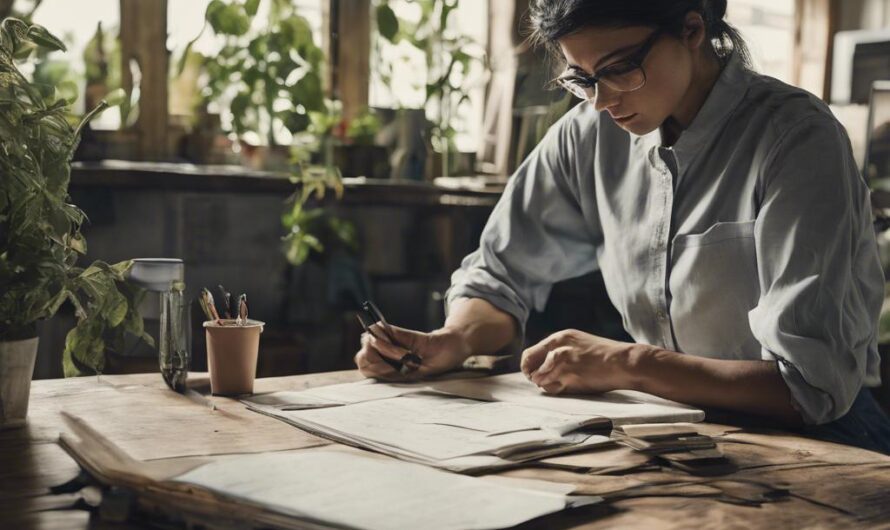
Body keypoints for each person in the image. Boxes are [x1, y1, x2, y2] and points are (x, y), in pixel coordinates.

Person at [354, 0, 890, 453]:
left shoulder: (795, 139)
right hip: (673, 429)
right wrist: (452, 339)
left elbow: (809, 387)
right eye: (581, 77)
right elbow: (501, 275)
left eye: (619, 69)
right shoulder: (587, 135)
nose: (602, 100)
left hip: (824, 439)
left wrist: (631, 362)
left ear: (692, 28)